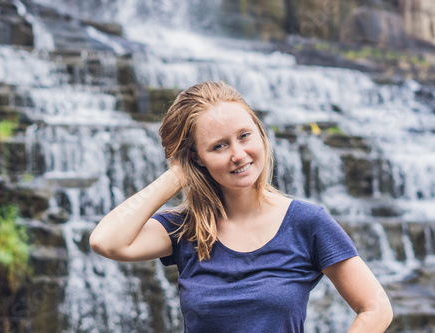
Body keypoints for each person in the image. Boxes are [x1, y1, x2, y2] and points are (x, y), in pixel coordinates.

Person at [89, 81, 393, 332]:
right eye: (219, 146)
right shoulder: (185, 228)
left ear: (260, 134)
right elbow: (106, 241)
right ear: (197, 158)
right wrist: (178, 174)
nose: (238, 154)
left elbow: (376, 308)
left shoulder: (306, 222)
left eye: (244, 136)